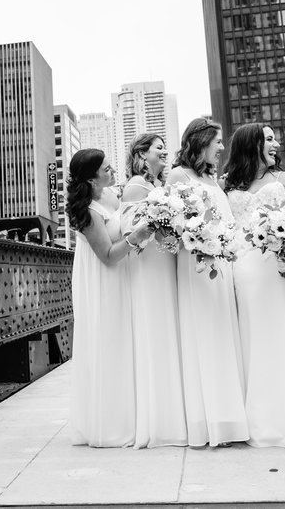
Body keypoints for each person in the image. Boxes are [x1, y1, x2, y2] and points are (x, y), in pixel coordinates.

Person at [225, 123, 285, 449]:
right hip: (244, 265)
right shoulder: (230, 183)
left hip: (281, 261)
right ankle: (260, 416)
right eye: (270, 139)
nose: (277, 144)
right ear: (253, 144)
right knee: (255, 334)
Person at [166, 118, 249, 447]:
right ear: (201, 142)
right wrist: (201, 240)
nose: (221, 147)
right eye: (216, 141)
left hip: (223, 262)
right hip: (196, 265)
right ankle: (207, 420)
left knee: (224, 332)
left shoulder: (212, 177)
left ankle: (229, 416)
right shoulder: (178, 176)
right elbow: (175, 222)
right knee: (204, 334)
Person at [66, 148, 153, 447]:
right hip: (104, 282)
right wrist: (137, 237)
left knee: (127, 343)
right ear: (90, 179)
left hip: (123, 277)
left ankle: (133, 414)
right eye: (105, 169)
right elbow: (107, 256)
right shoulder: (88, 211)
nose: (112, 170)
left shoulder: (112, 195)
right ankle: (112, 424)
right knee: (110, 344)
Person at [120, 133, 188, 448]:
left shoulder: (161, 188)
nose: (164, 152)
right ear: (141, 154)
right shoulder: (135, 186)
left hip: (166, 264)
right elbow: (131, 234)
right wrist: (157, 227)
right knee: (155, 332)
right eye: (158, 148)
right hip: (149, 269)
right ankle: (158, 420)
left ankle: (174, 412)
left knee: (169, 333)